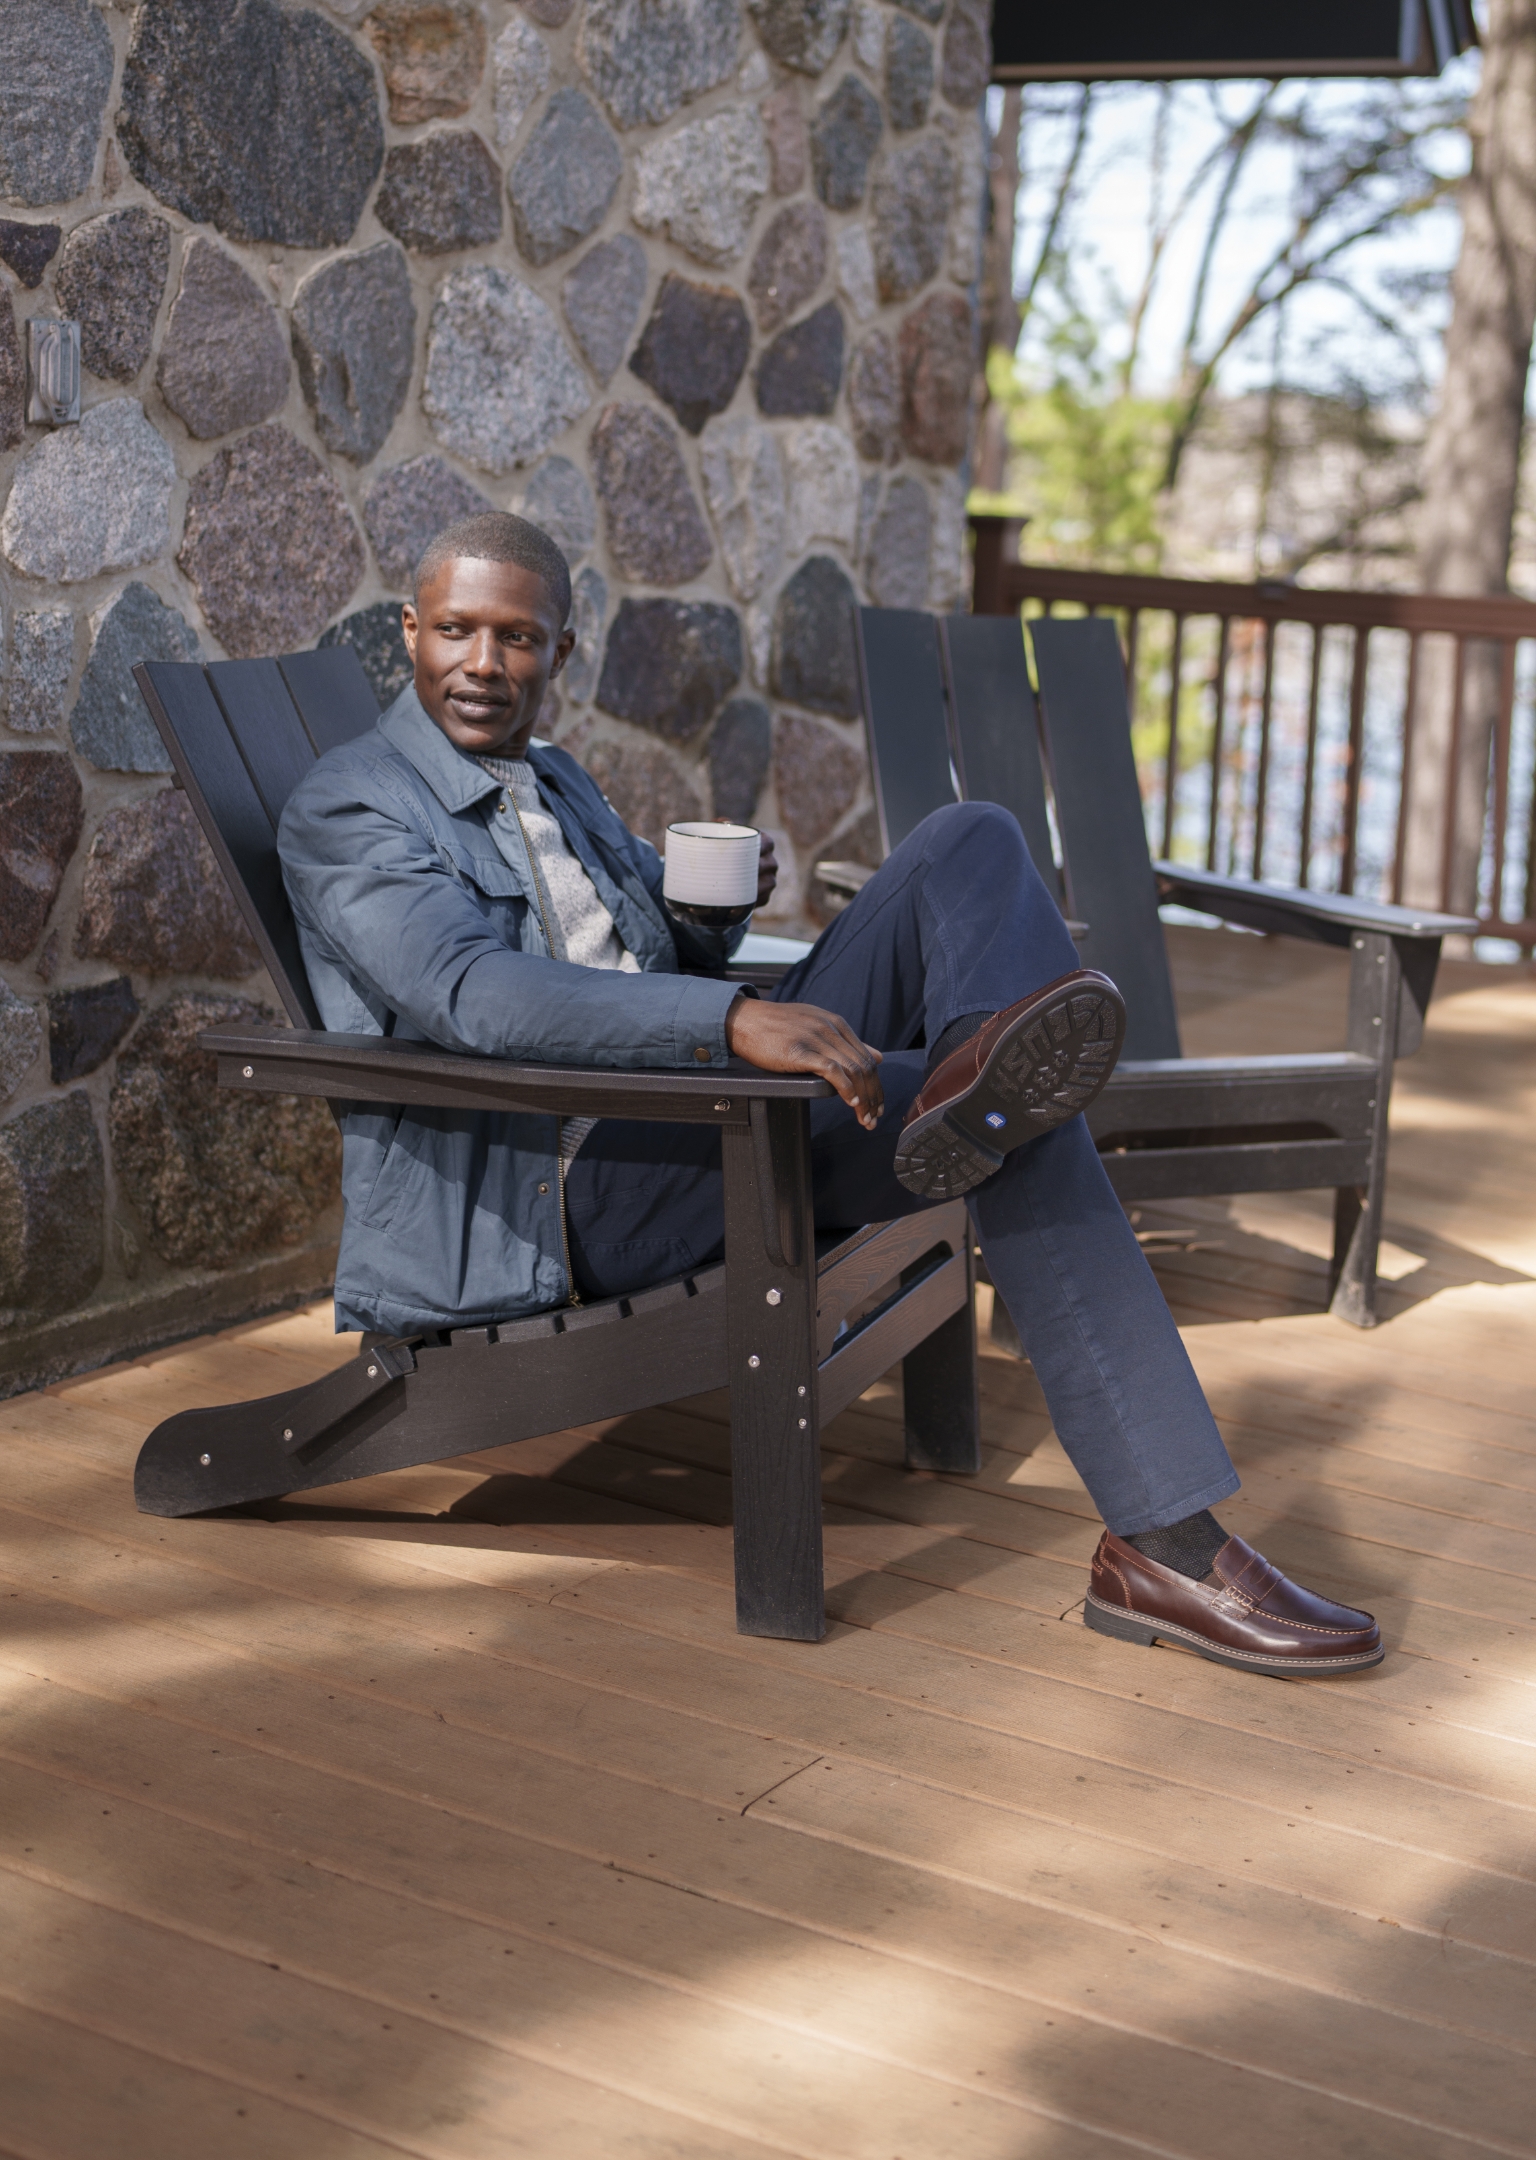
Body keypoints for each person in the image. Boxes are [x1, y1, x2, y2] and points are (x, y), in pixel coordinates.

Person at [279, 512, 1383, 1682]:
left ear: (561, 649)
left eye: (516, 638)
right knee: (1018, 1126)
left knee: (970, 840)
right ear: (410, 630)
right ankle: (1167, 1545)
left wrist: (707, 914)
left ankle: (979, 1073)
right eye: (456, 631)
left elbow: (647, 943)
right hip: (563, 1183)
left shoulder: (552, 776)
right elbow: (473, 993)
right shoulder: (352, 806)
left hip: (687, 1103)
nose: (483, 664)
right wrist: (729, 1019)